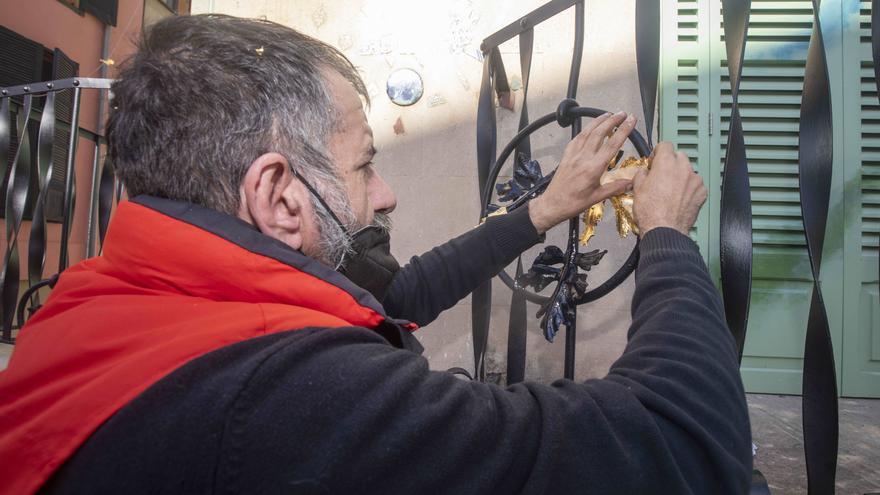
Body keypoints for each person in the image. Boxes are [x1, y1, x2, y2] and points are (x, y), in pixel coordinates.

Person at [0, 14, 751, 494]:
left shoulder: (100, 301)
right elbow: (678, 442)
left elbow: (392, 298)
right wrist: (666, 238)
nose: (385, 193)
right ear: (278, 195)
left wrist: (544, 209)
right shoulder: (291, 399)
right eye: (363, 165)